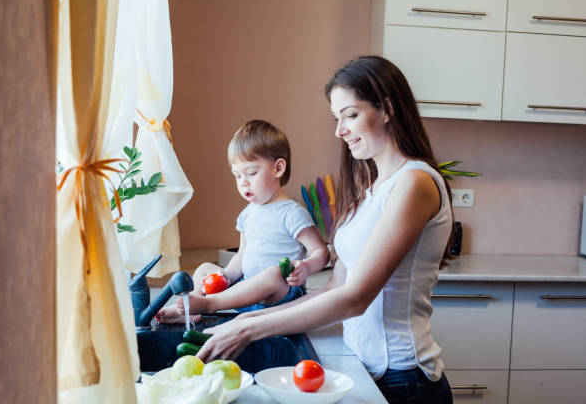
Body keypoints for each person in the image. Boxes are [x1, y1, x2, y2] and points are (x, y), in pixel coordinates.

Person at [194, 56, 455, 404]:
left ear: (388, 109)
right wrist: (242, 318)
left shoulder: (415, 183)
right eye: (337, 118)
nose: (339, 130)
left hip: (406, 380)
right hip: (366, 370)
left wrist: (246, 328)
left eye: (351, 114)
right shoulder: (371, 190)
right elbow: (336, 286)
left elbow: (356, 297)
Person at [155, 120, 329, 323]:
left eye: (251, 173)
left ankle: (210, 303)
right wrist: (227, 275)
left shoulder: (292, 213)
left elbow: (321, 252)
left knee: (272, 274)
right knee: (204, 269)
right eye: (237, 176)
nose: (243, 182)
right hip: (245, 292)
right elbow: (242, 254)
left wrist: (306, 267)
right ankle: (191, 311)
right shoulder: (247, 214)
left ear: (278, 168)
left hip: (279, 298)